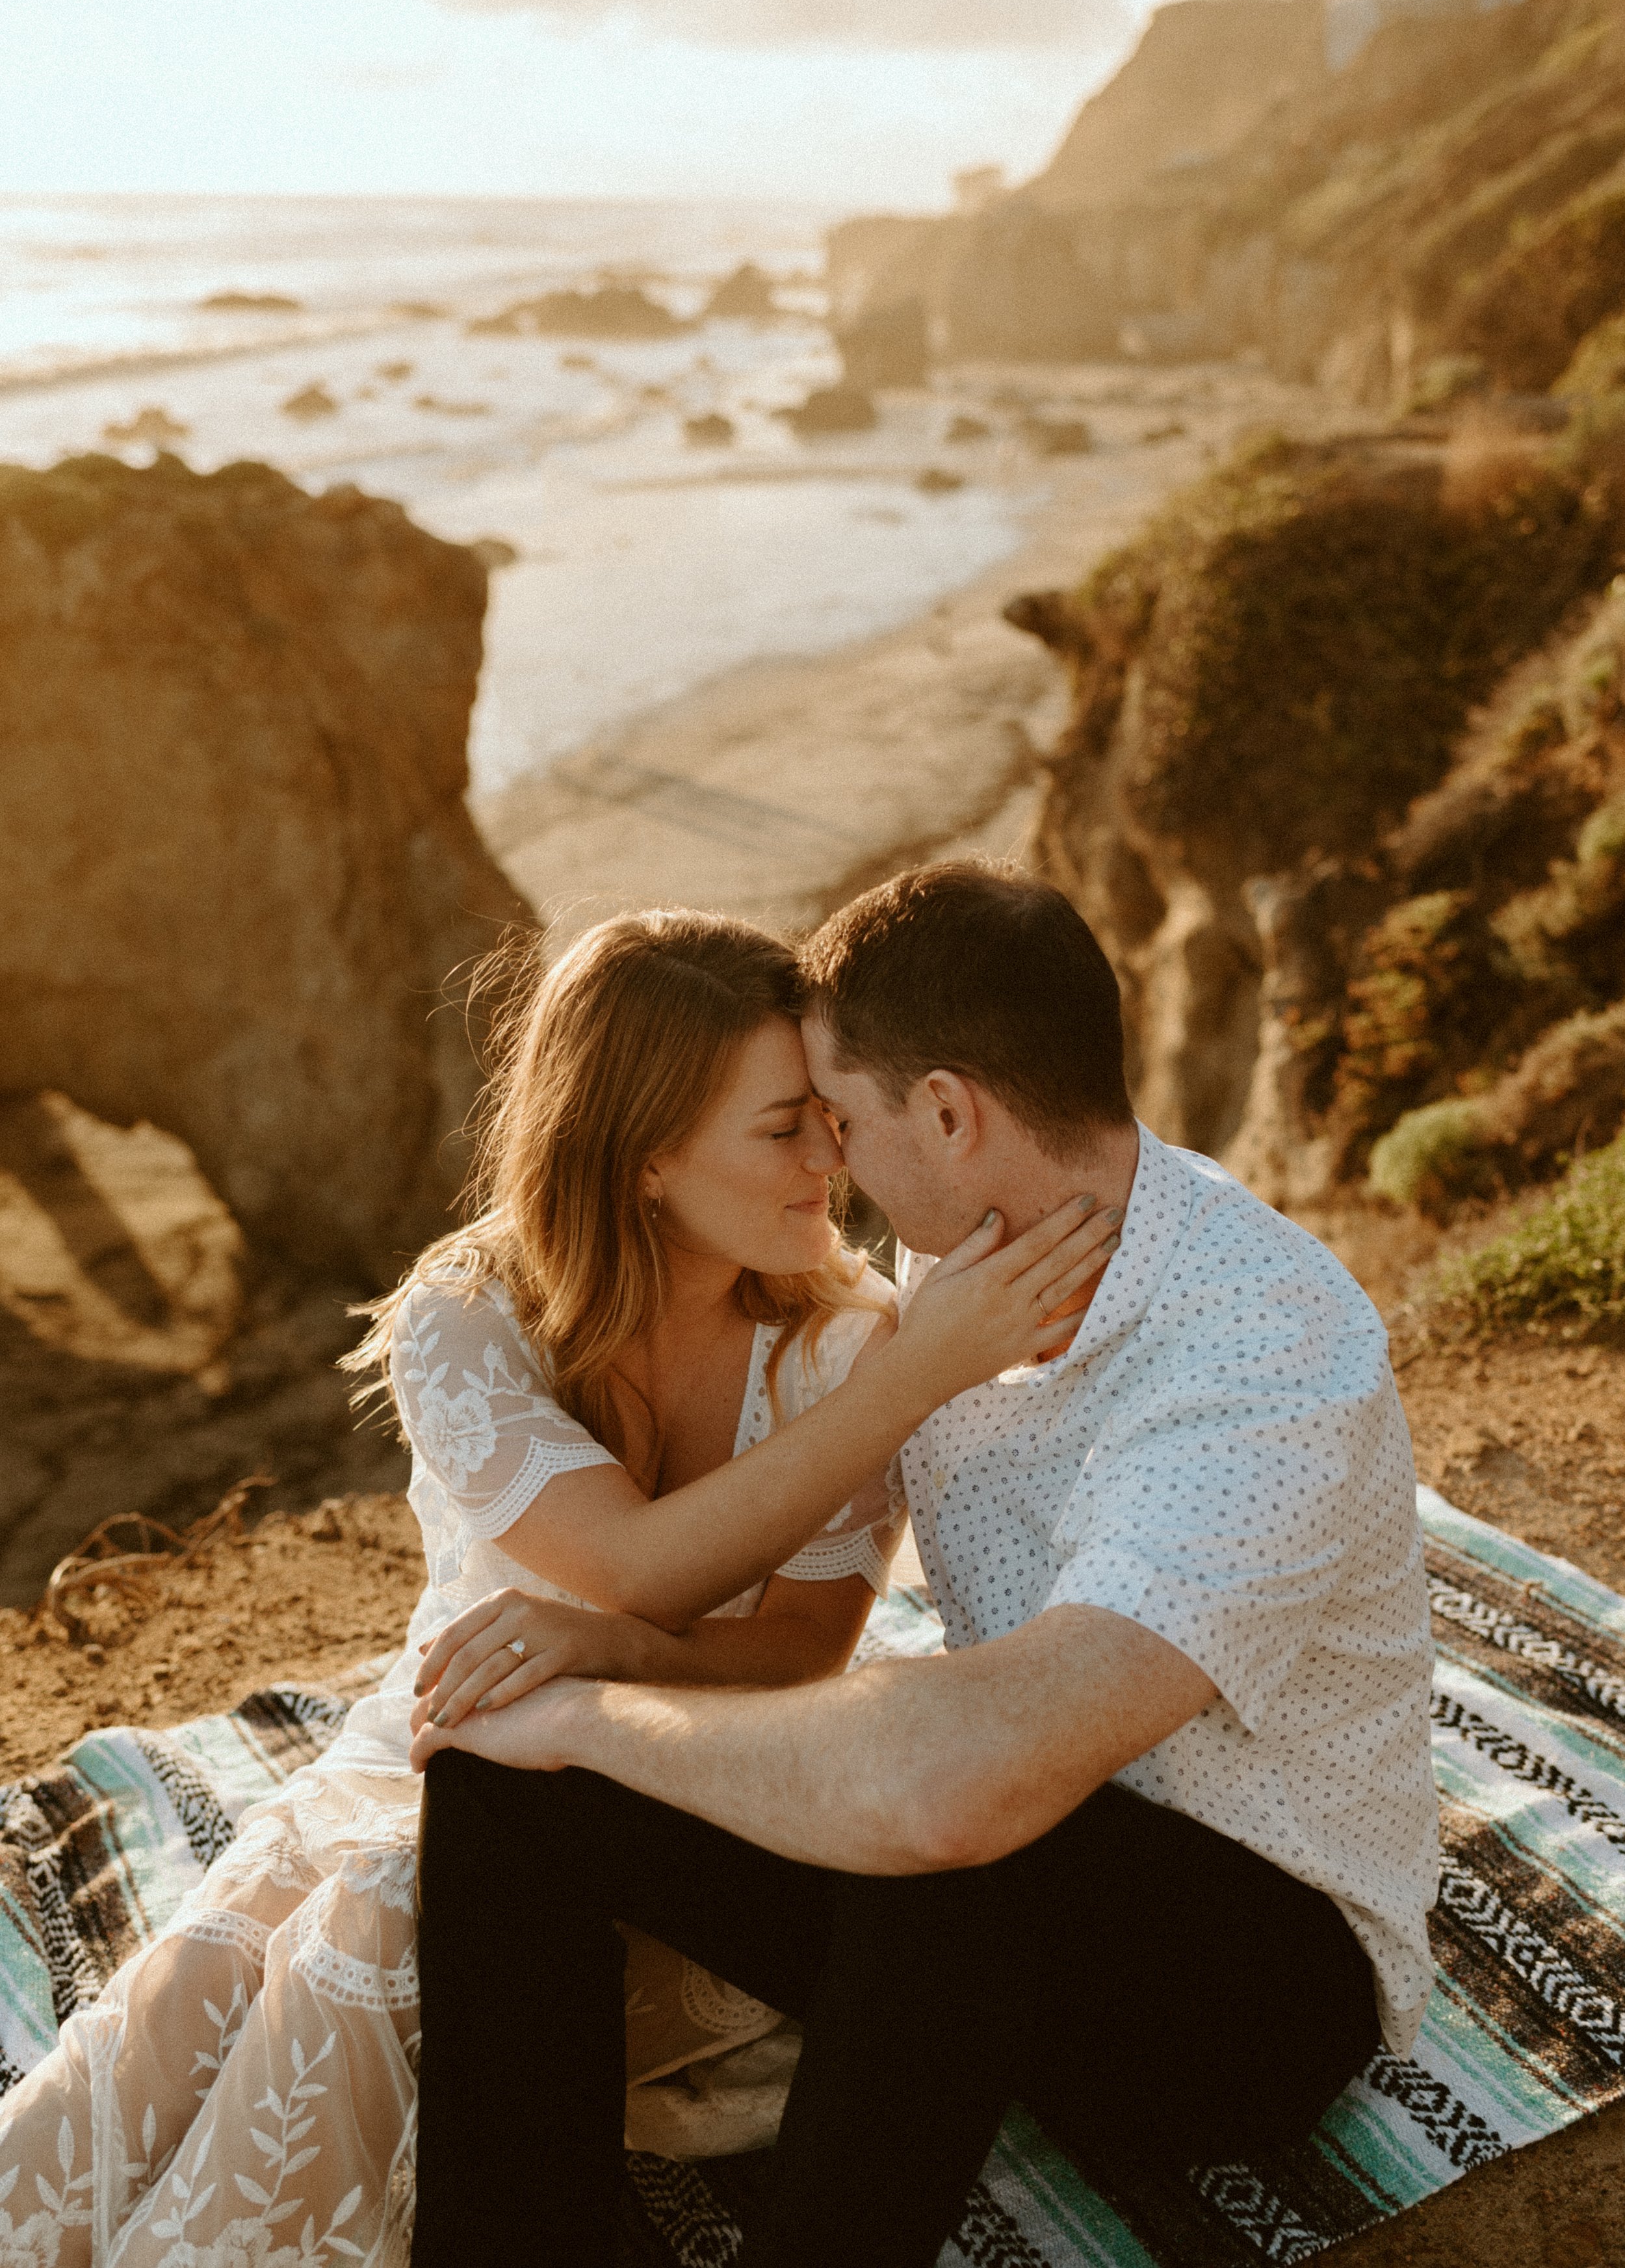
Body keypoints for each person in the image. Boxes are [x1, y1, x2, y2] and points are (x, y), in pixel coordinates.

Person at [0, 910, 1113, 2268]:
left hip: (713, 1797)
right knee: (200, 1986)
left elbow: (797, 1657)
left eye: (828, 1114)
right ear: (645, 1158)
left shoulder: (848, 1339)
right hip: (437, 1750)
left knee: (371, 1934)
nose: (833, 1157)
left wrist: (883, 1385)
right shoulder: (467, 1311)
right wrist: (906, 1386)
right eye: (783, 1128)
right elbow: (633, 1564)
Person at [409, 863, 1440, 2268]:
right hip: (1019, 1871)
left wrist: (595, 1706)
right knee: (501, 1778)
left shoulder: (1261, 1350)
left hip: (1248, 1985)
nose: (827, 1164)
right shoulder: (949, 1293)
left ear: (946, 1112)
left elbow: (964, 1781)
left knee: (946, 1824)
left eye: (837, 1119)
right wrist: (575, 1714)